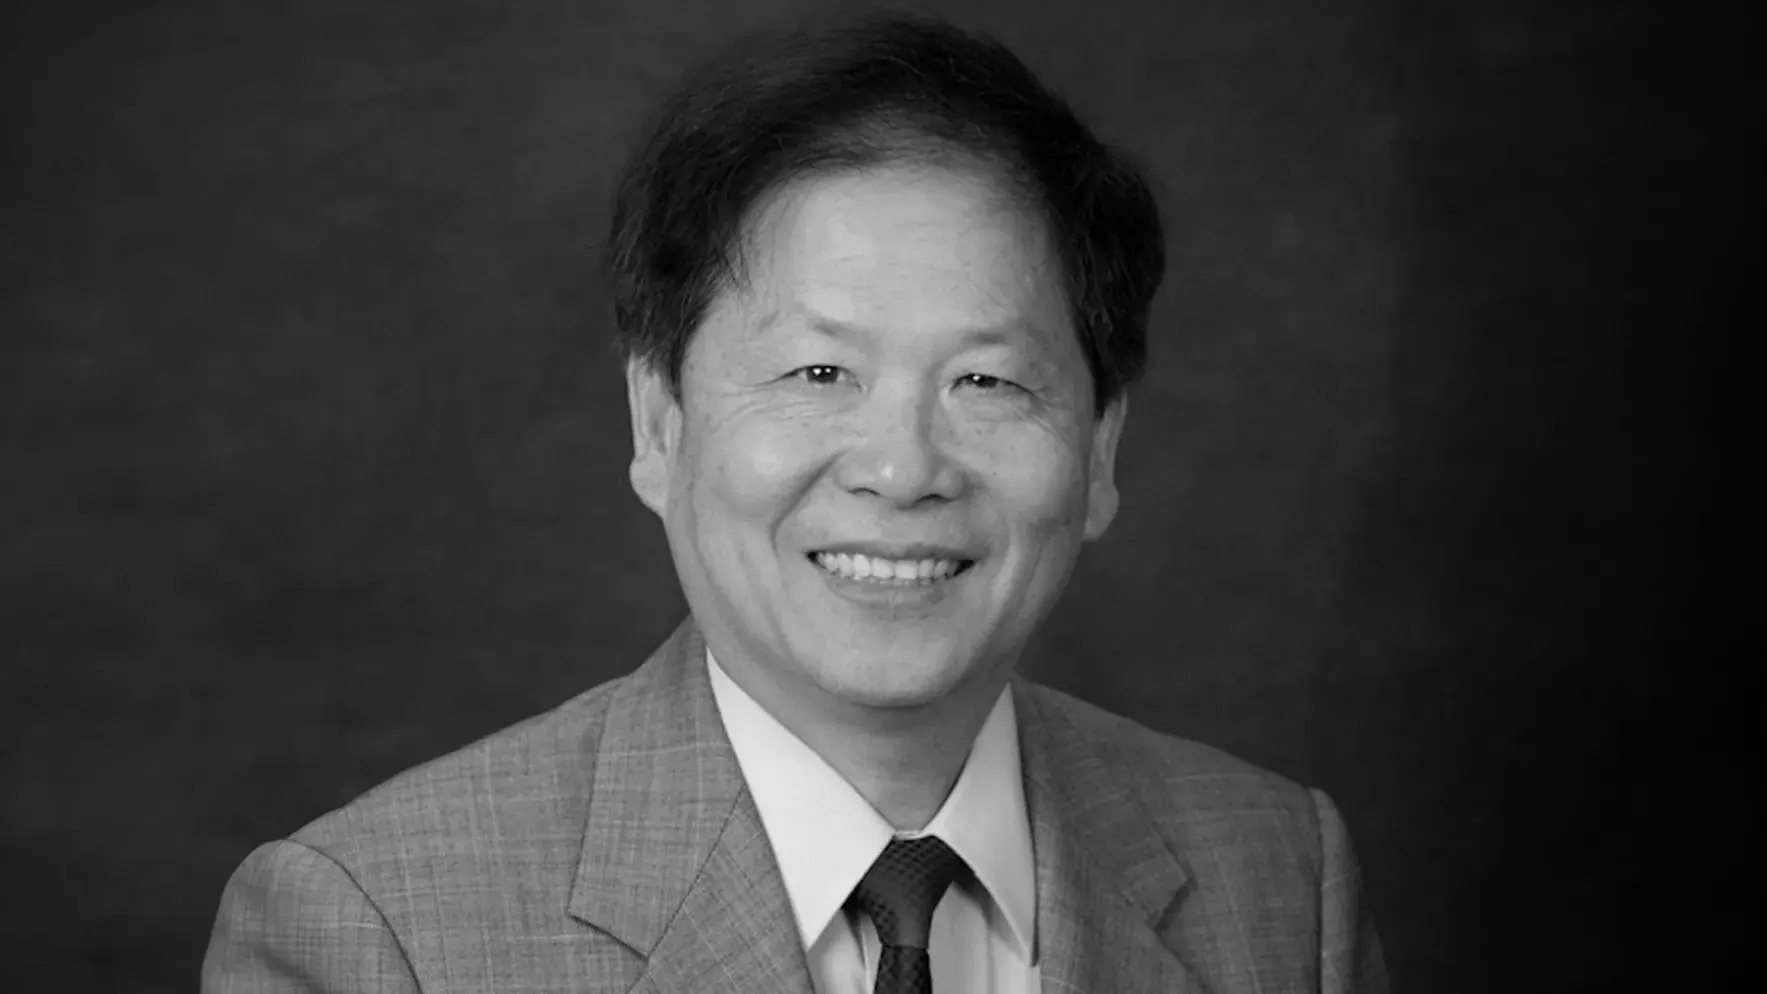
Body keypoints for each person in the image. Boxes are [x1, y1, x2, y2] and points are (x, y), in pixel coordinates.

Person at [202, 12, 1385, 994]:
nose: (902, 467)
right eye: (820, 374)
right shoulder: (373, 933)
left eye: (987, 380)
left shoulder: (1282, 882)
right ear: (657, 423)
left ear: (1101, 449)